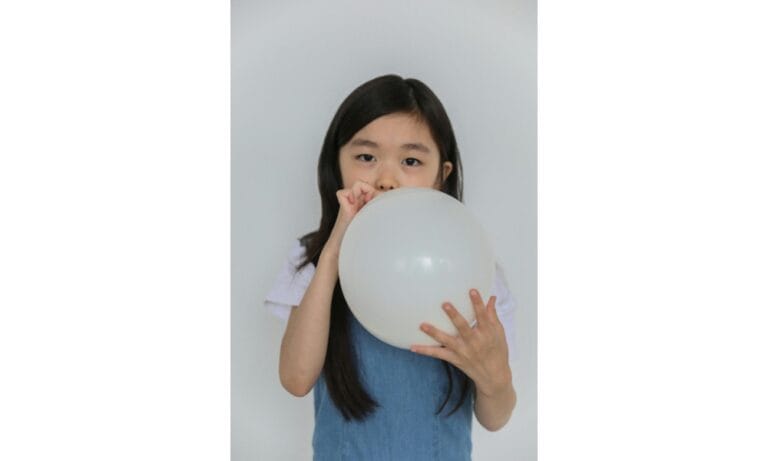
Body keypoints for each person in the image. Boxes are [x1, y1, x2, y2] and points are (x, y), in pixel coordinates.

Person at [264, 74, 518, 460]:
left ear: (441, 177)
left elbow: (496, 417)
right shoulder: (315, 261)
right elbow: (296, 379)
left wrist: (494, 376)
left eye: (411, 161)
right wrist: (333, 252)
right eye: (366, 157)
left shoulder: (473, 269)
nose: (385, 179)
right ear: (338, 164)